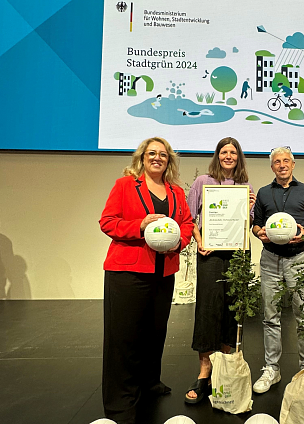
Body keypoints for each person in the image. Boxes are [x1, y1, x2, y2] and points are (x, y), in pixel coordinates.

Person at [99, 137, 194, 424]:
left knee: (155, 332)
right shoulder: (125, 185)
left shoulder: (176, 191)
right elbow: (107, 222)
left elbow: (187, 224)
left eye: (163, 154)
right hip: (128, 272)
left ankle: (149, 382)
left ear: (169, 160)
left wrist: (178, 243)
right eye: (151, 153)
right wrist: (139, 226)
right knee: (124, 338)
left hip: (163, 272)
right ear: (142, 158)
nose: (157, 158)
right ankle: (120, 401)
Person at [185, 137, 256, 403]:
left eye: (233, 152)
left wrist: (251, 207)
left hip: (238, 253)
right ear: (218, 155)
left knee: (232, 306)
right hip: (210, 252)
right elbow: (189, 217)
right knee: (207, 309)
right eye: (224, 152)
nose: (228, 156)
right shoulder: (203, 181)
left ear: (239, 158)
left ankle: (225, 367)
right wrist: (199, 241)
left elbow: (246, 225)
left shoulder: (245, 187)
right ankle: (205, 372)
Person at [252, 146, 304, 394]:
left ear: (293, 165)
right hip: (270, 259)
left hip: (299, 259)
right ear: (272, 167)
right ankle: (272, 368)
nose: (282, 165)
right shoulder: (263, 193)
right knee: (270, 316)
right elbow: (256, 223)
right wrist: (259, 232)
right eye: (277, 162)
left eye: (286, 161)